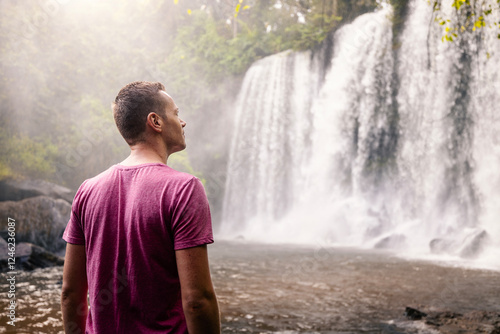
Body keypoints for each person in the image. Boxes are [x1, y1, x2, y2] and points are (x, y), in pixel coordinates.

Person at [60, 81, 220, 334]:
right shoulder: (184, 188)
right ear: (155, 121)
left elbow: (70, 293)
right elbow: (197, 301)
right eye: (176, 114)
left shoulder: (87, 190)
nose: (183, 122)